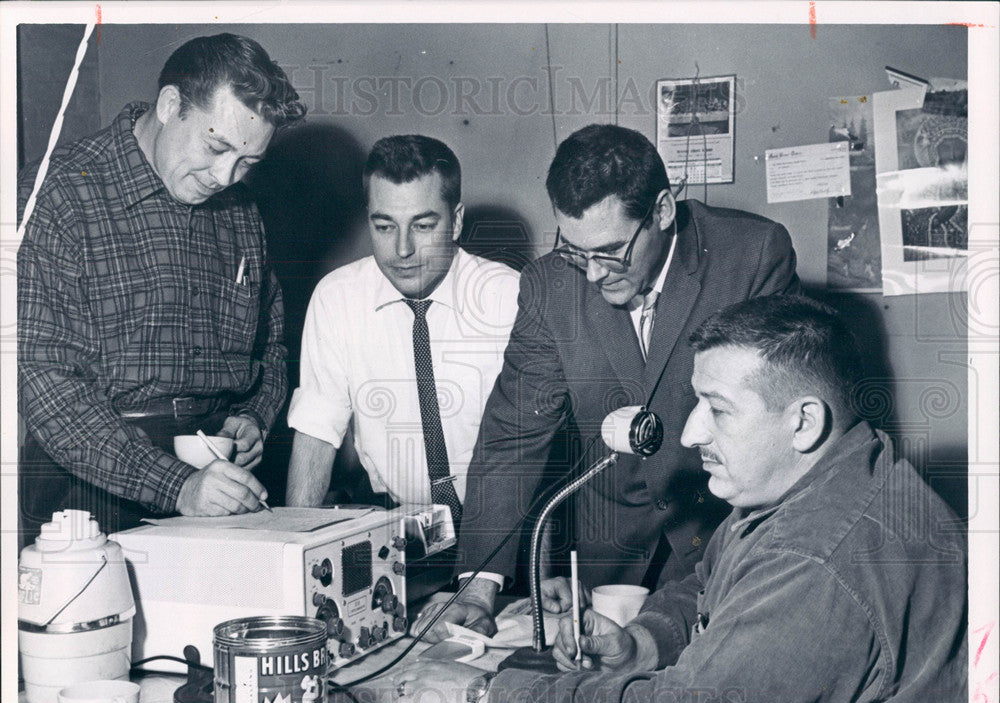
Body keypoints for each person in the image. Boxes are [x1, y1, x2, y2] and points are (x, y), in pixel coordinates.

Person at [393, 295, 968, 703]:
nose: (692, 433)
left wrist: (484, 697)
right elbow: (706, 579)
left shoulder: (818, 555)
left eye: (717, 410)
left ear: (803, 422)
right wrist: (642, 642)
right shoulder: (834, 476)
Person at [419, 124, 799, 641]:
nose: (593, 275)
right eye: (576, 252)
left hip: (724, 543)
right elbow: (512, 437)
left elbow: (776, 425)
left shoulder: (750, 256)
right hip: (610, 565)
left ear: (662, 211)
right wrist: (478, 585)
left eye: (611, 252)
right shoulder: (551, 287)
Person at [18, 33, 305, 545]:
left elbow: (272, 347)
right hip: (85, 487)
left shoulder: (242, 211)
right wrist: (176, 486)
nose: (225, 176)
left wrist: (251, 418)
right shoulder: (59, 193)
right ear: (171, 104)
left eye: (248, 161)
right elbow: (46, 385)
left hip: (216, 473)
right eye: (217, 147)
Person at [286, 135, 519, 525]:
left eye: (423, 226)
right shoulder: (337, 297)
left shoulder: (508, 297)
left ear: (456, 220)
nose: (402, 250)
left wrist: (539, 575)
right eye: (384, 226)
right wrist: (292, 544)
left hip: (500, 524)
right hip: (396, 525)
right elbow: (315, 434)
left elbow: (535, 451)